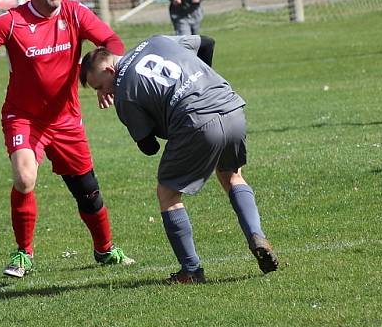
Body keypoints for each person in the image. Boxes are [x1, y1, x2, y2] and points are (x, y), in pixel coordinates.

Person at [0, 0, 134, 278]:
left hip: (66, 120)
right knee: (24, 178)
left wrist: (111, 78)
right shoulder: (11, 22)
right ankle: (23, 253)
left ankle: (105, 250)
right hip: (23, 118)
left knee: (87, 191)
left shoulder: (75, 14)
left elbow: (113, 44)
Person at [80, 35, 279, 284]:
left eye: (100, 86)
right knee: (231, 175)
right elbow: (206, 43)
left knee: (168, 194)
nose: (104, 92)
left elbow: (149, 146)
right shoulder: (157, 40)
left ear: (110, 69)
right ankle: (256, 236)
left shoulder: (125, 94)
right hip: (229, 105)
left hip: (197, 122)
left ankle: (191, 271)